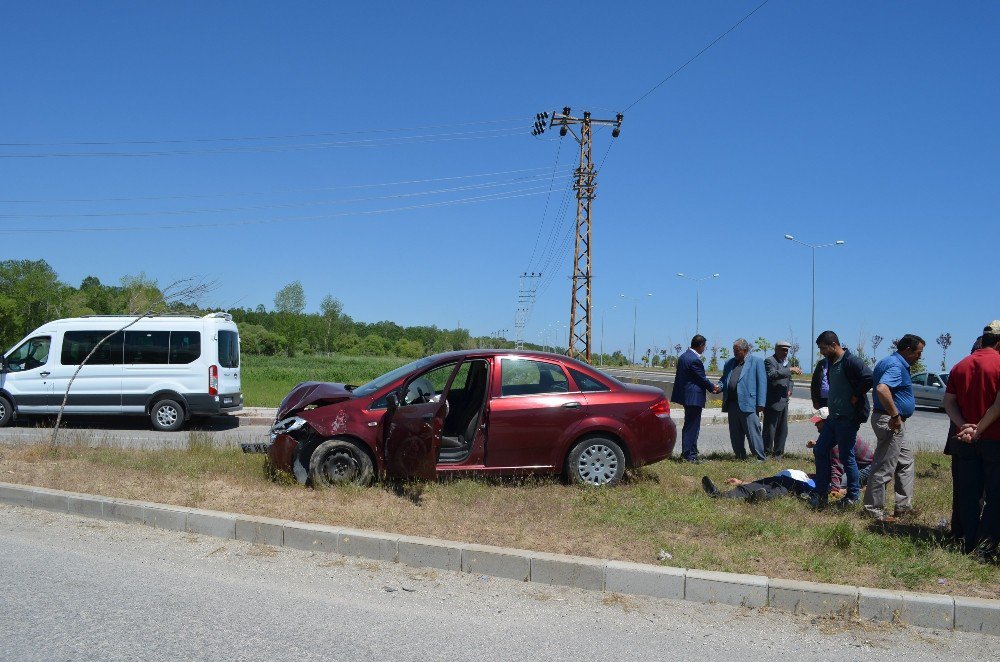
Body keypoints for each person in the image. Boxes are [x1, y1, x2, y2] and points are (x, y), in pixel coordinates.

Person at [944, 321, 1000, 559]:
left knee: (968, 493)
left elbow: (948, 402)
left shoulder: (960, 365)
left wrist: (963, 425)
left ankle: (966, 541)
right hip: (994, 440)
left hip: (963, 439)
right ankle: (984, 548)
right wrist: (979, 429)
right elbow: (998, 406)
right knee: (996, 496)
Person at [861, 334, 925, 522]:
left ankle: (903, 507)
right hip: (891, 421)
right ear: (907, 350)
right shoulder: (896, 366)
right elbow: (882, 388)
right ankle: (873, 510)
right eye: (918, 353)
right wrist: (895, 415)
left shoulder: (888, 361)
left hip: (894, 421)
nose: (919, 357)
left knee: (905, 462)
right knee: (884, 466)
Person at [809, 330, 873, 511]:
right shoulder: (830, 362)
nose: (821, 351)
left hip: (847, 419)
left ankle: (852, 496)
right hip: (833, 418)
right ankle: (821, 493)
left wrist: (855, 395)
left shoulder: (850, 361)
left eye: (823, 348)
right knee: (820, 450)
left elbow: (869, 377)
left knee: (846, 457)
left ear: (833, 345)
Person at [670, 334, 721, 463]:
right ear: (700, 345)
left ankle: (690, 451)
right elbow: (701, 378)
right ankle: (689, 455)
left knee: (689, 425)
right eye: (704, 346)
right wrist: (713, 387)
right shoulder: (694, 359)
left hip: (687, 397)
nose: (704, 349)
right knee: (692, 426)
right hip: (694, 397)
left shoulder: (683, 356)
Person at [805, 406, 875, 496]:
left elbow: (836, 465)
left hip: (867, 468)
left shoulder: (836, 439)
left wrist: (834, 489)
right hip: (855, 466)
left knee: (834, 485)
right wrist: (816, 443)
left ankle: (857, 490)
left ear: (827, 422)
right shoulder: (834, 431)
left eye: (818, 422)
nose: (816, 425)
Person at [718, 338, 767, 461]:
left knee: (752, 432)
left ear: (745, 350)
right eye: (734, 350)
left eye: (737, 350)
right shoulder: (729, 363)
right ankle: (740, 456)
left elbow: (762, 383)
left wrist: (761, 403)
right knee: (735, 434)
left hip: (749, 404)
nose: (735, 353)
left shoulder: (756, 362)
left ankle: (760, 458)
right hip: (732, 404)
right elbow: (724, 380)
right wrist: (718, 387)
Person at [763, 340, 802, 457]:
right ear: (776, 349)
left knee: (782, 430)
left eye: (787, 350)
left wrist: (790, 388)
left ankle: (778, 454)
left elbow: (790, 380)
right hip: (773, 401)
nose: (786, 352)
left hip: (784, 400)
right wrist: (789, 370)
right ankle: (767, 453)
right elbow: (772, 375)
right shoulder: (769, 361)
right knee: (770, 429)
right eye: (783, 350)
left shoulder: (786, 363)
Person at [701, 470, 815, 503]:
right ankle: (716, 494)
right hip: (775, 478)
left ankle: (757, 498)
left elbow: (809, 491)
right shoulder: (794, 471)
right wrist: (740, 482)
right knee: (750, 487)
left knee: (778, 492)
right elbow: (758, 483)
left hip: (792, 484)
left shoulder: (808, 480)